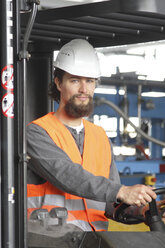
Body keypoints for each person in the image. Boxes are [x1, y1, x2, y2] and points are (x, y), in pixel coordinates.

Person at [27, 39, 158, 232]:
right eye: (75, 80)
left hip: (94, 240)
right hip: (50, 239)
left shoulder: (100, 137)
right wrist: (120, 191)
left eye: (89, 81)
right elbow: (66, 174)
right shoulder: (37, 132)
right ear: (58, 83)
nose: (83, 89)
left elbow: (110, 203)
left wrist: (141, 211)